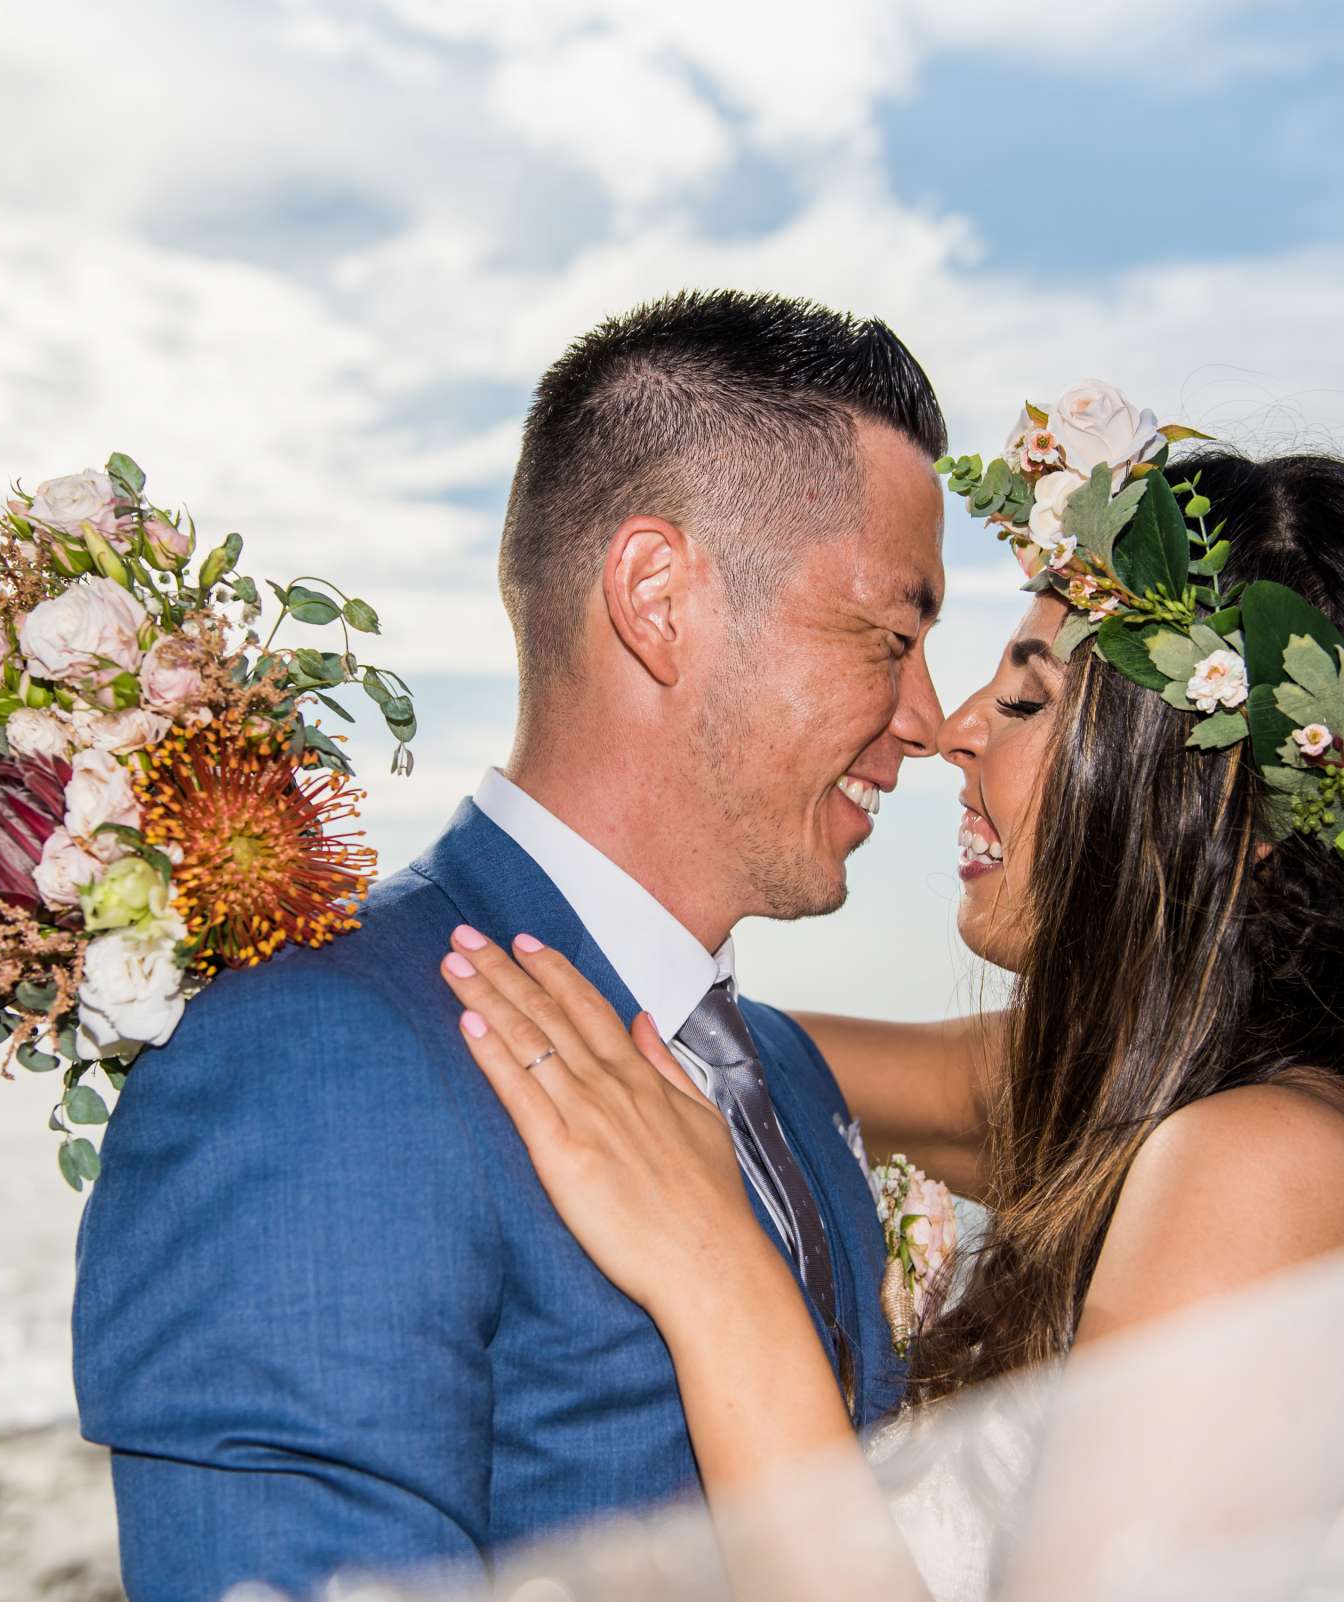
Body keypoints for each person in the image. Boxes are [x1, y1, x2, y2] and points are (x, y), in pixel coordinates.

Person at [434, 431, 1344, 1581]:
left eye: (1024, 703)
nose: (949, 732)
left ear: (1224, 803)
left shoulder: (1269, 1169)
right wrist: (291, 939)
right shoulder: (1119, 1090)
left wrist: (721, 1279)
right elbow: (712, 1052)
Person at [71, 290, 953, 1601]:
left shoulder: (787, 1073)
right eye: (889, 634)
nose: (928, 717)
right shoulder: (315, 1054)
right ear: (658, 595)